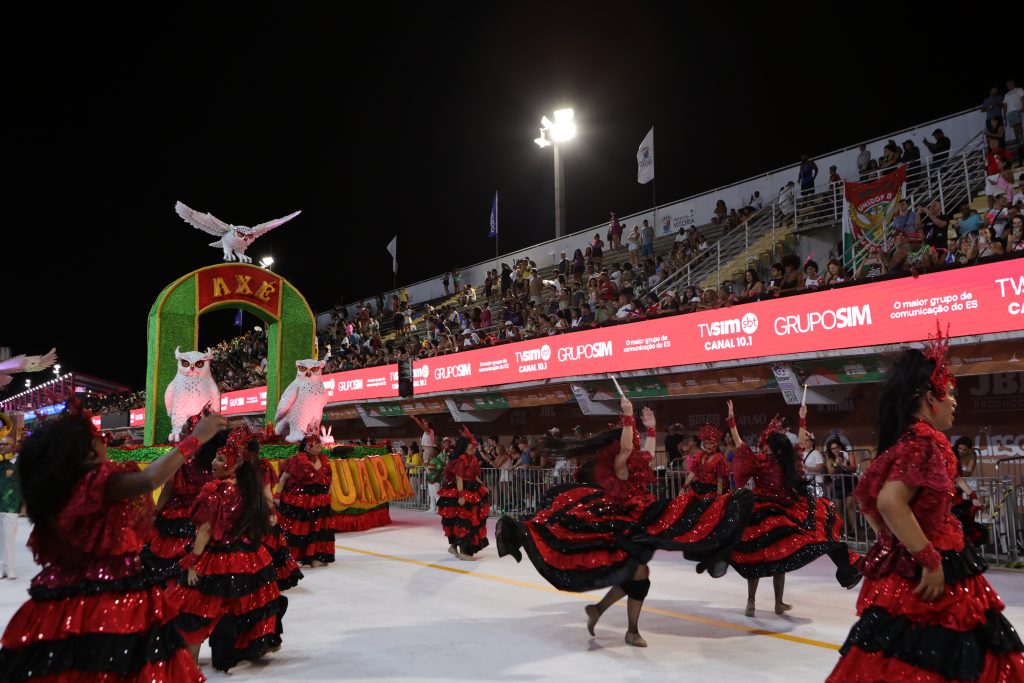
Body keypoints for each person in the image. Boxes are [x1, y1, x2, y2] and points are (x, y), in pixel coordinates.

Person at [827, 326, 1024, 681]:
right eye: (949, 393)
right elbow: (888, 502)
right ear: (928, 397)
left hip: (903, 573)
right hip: (932, 570)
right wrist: (929, 560)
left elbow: (870, 505)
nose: (954, 401)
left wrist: (894, 543)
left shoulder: (902, 442)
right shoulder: (927, 442)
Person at [497, 398, 754, 648]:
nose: (638, 444)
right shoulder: (619, 464)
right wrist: (629, 415)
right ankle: (627, 628)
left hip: (643, 522)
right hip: (625, 527)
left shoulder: (639, 463)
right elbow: (628, 448)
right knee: (638, 576)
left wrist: (652, 426)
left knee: (636, 576)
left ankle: (601, 612)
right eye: (633, 439)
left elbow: (648, 450)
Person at [0, 400, 225, 682]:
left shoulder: (59, 489)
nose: (105, 444)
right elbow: (148, 480)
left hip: (61, 600)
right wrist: (197, 439)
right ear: (93, 449)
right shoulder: (96, 483)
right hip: (112, 601)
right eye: (102, 439)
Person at [726, 401, 862, 618]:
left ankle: (758, 603)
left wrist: (733, 420)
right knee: (774, 559)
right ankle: (768, 603)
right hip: (775, 515)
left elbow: (741, 444)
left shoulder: (770, 462)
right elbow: (746, 445)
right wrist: (802, 418)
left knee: (760, 558)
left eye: (765, 443)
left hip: (769, 514)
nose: (762, 445)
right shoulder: (779, 462)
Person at [171, 428, 287, 672]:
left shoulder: (214, 493)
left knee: (195, 613)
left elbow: (204, 530)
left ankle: (189, 667)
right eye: (215, 457)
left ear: (234, 465)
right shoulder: (249, 488)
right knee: (243, 606)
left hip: (216, 559)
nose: (214, 463)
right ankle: (235, 651)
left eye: (220, 459)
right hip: (248, 558)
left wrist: (192, 561)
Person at [141, 405, 226, 582]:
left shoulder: (182, 460)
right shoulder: (215, 461)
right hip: (204, 517)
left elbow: (168, 488)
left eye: (187, 431)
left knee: (165, 557)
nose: (183, 435)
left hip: (177, 515)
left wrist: (155, 512)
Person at [275, 436, 336, 567]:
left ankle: (317, 556)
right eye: (316, 444)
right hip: (302, 502)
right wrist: (277, 495)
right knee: (299, 529)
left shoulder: (324, 460)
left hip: (321, 501)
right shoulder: (296, 460)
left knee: (319, 530)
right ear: (308, 446)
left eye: (320, 444)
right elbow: (283, 478)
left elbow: (330, 480)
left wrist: (328, 496)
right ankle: (294, 556)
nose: (320, 446)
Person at [254, 440, 304, 592]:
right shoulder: (238, 467)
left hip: (257, 512)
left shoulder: (261, 467)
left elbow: (266, 490)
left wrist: (271, 507)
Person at [437, 429, 491, 560]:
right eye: (472, 445)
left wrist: (482, 485)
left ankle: (455, 547)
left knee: (469, 519)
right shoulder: (462, 459)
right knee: (464, 520)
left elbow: (475, 475)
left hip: (472, 490)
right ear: (465, 447)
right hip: (462, 491)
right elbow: (459, 478)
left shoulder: (472, 459)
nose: (474, 447)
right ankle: (464, 552)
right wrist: (461, 496)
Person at [684, 424, 729, 496]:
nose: (708, 446)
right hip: (699, 489)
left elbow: (720, 481)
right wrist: (684, 487)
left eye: (711, 443)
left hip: (712, 491)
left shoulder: (719, 458)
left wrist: (718, 498)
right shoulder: (700, 456)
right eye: (706, 443)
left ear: (715, 444)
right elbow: (693, 473)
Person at [0, 435, 21, 580]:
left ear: (13, 446)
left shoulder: (19, 463)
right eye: (0, 445)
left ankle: (11, 567)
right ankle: (2, 567)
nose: (1, 447)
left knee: (9, 537)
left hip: (12, 506)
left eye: (4, 444)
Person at [425, 441, 447, 513]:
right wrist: (427, 478)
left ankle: (439, 509)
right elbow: (428, 470)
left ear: (435, 452)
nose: (430, 452)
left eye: (432, 450)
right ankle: (432, 508)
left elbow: (439, 469)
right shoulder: (430, 460)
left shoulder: (437, 460)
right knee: (431, 495)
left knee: (437, 495)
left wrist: (434, 479)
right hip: (430, 481)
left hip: (435, 481)